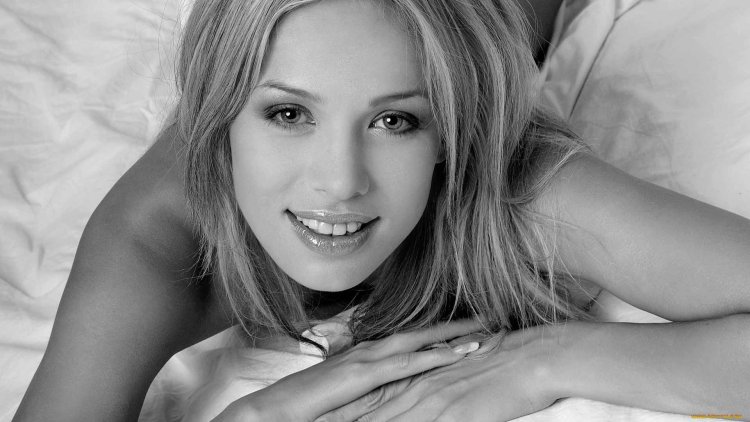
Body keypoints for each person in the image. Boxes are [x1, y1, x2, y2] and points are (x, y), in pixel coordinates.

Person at [13, 0, 750, 421]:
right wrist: (256, 415)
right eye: (288, 114)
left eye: (396, 120)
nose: (338, 183)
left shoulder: (514, 186)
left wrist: (552, 358)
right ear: (220, 113)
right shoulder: (160, 236)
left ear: (451, 132)